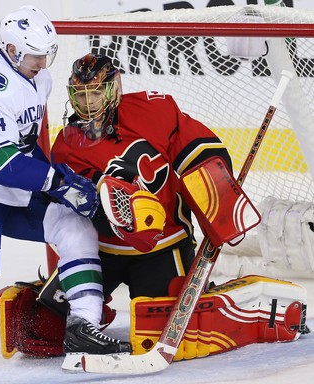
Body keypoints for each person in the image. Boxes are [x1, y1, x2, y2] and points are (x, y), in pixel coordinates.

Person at [0, 7, 131, 368]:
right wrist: (59, 183)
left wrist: (56, 177)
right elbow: (5, 165)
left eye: (47, 54)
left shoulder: (39, 78)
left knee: (75, 227)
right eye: (34, 55)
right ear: (11, 51)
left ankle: (83, 328)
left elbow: (26, 145)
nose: (43, 62)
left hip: (11, 186)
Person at [51, 53, 233, 304]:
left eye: (95, 93)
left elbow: (201, 151)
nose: (89, 102)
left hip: (163, 245)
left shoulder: (152, 110)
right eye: (81, 95)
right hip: (100, 249)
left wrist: (220, 201)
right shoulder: (67, 144)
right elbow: (82, 202)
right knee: (52, 318)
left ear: (113, 88)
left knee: (158, 320)